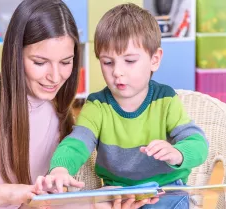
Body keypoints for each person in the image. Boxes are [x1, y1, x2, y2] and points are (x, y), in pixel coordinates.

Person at [0, 1, 155, 209]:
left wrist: (97, 202)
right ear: (15, 55)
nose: (55, 76)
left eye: (66, 61)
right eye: (40, 62)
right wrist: (10, 193)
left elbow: (39, 200)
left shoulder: (58, 114)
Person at [35, 3, 209, 209]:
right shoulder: (97, 105)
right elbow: (77, 142)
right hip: (117, 195)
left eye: (129, 60)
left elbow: (198, 142)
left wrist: (178, 153)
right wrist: (60, 169)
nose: (117, 72)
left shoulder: (166, 100)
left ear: (155, 59)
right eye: (108, 62)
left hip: (165, 191)